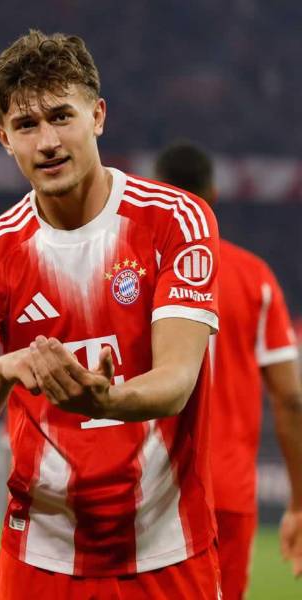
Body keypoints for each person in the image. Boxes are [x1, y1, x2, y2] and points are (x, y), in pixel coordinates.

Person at [0, 30, 223, 598]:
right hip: (41, 556)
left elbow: (176, 382)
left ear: (99, 116)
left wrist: (105, 401)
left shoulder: (176, 221)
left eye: (62, 117)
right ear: (3, 138)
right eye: (26, 125)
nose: (47, 141)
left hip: (166, 547)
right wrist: (1, 370)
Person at [155, 142, 302, 598]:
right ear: (214, 194)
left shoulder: (135, 270)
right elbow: (291, 399)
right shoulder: (255, 277)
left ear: (156, 193)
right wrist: (299, 502)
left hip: (150, 488)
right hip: (228, 490)